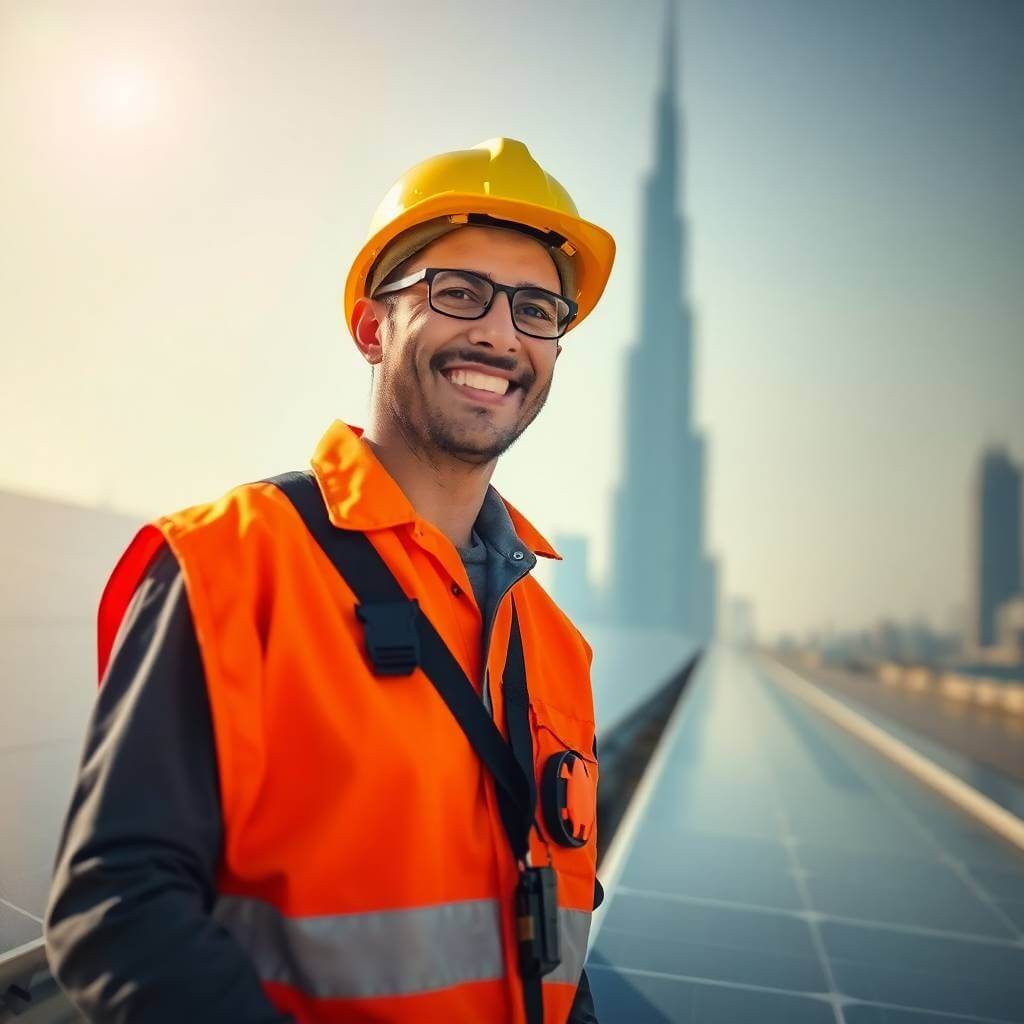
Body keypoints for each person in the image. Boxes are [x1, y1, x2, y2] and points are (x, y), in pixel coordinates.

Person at [45, 137, 616, 1024]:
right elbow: (117, 909)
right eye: (459, 293)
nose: (502, 333)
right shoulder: (230, 564)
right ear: (369, 327)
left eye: (538, 309)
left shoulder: (554, 646)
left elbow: (558, 943)